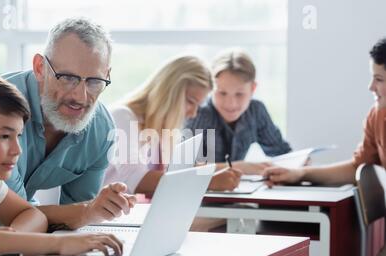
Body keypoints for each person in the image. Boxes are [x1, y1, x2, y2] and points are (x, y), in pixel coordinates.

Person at [0, 71, 122, 256]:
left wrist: (10, 240)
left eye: (18, 136)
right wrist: (59, 243)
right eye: (4, 136)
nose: (17, 150)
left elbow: (32, 214)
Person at [2, 18, 136, 231]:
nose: (80, 97)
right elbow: (11, 215)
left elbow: (75, 219)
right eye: (67, 78)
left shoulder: (100, 129)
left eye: (94, 81)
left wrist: (91, 211)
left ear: (107, 76)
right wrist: (87, 211)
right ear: (40, 68)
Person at [103, 55, 241, 194]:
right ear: (169, 92)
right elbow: (136, 180)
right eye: (190, 102)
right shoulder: (122, 116)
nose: (193, 113)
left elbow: (173, 177)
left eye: (198, 106)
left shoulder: (159, 129)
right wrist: (208, 181)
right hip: (110, 213)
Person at [264, 38, 386, 186]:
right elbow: (357, 169)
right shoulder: (377, 116)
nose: (371, 87)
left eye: (379, 79)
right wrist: (300, 173)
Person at [185, 49, 291, 175]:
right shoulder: (199, 113)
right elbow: (185, 167)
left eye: (239, 94)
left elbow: (282, 151)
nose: (230, 104)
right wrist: (238, 167)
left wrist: (298, 163)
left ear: (253, 88)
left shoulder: (256, 111)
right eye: (222, 93)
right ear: (210, 88)